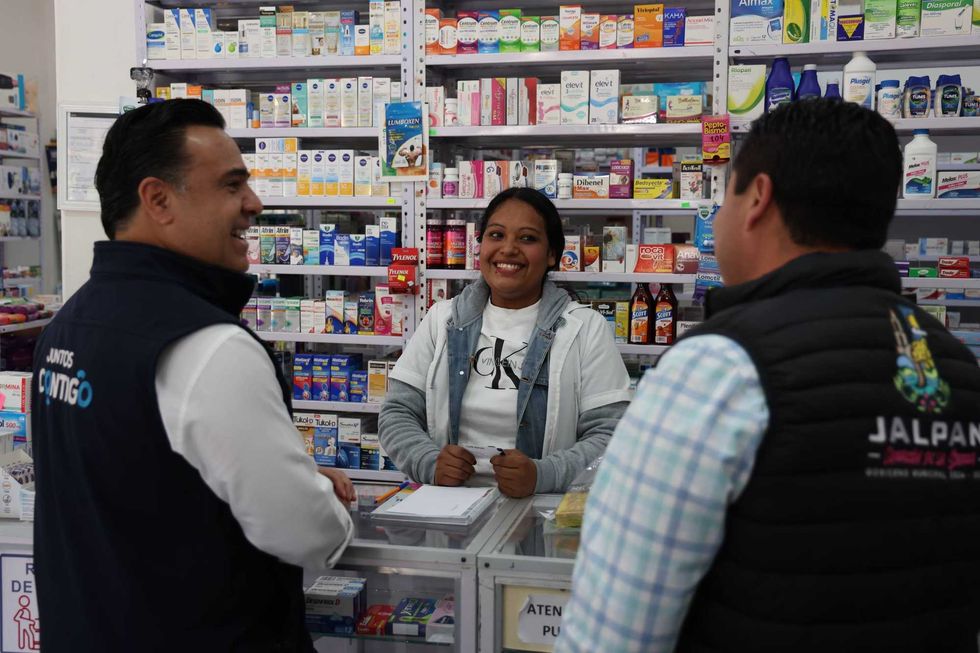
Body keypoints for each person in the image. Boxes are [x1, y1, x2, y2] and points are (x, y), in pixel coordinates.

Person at [556, 99, 980, 653]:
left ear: (756, 198)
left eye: (724, 195)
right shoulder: (955, 365)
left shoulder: (719, 367)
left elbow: (612, 636)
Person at [32, 100, 355, 652]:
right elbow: (302, 532)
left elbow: (135, 480)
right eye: (232, 186)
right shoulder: (207, 345)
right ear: (158, 199)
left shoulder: (69, 323)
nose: (254, 204)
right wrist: (322, 503)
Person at [379, 187, 631, 498]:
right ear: (480, 245)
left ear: (553, 254)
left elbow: (613, 435)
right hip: (449, 506)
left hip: (541, 510)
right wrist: (429, 463)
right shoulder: (442, 320)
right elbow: (396, 414)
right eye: (496, 235)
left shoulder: (585, 329)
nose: (508, 249)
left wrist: (543, 474)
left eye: (527, 238)